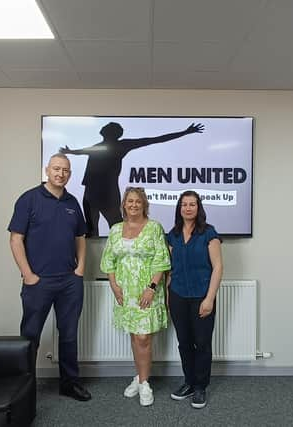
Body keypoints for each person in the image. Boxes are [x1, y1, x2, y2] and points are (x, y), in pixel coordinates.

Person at [7, 153, 91, 402]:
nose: (60, 174)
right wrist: (28, 275)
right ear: (47, 170)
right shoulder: (29, 199)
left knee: (69, 335)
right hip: (38, 282)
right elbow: (15, 239)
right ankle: (24, 388)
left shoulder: (72, 202)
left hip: (69, 281)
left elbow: (80, 238)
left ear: (70, 174)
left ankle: (69, 384)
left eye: (65, 170)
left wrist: (80, 269)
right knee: (30, 334)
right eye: (56, 169)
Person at [60, 122, 204, 237]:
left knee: (117, 227)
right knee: (92, 230)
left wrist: (185, 132)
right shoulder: (98, 147)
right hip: (91, 192)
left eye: (107, 129)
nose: (103, 130)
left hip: (107, 193)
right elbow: (80, 151)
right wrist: (69, 152)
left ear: (111, 133)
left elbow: (153, 140)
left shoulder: (121, 145)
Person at [100, 187, 171, 406]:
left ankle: (144, 383)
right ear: (124, 204)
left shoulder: (154, 228)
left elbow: (161, 259)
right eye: (129, 201)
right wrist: (113, 285)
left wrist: (151, 287)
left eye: (138, 201)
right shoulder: (115, 229)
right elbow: (108, 261)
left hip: (147, 291)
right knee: (134, 335)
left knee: (143, 337)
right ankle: (140, 377)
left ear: (144, 205)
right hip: (125, 292)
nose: (133, 205)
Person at [166, 190, 223, 409]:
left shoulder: (209, 233)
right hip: (178, 296)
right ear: (179, 208)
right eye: (184, 204)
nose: (188, 208)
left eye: (192, 204)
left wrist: (210, 298)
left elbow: (218, 267)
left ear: (198, 208)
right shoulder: (173, 235)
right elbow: (169, 270)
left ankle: (200, 387)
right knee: (184, 343)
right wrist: (167, 295)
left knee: (202, 343)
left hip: (202, 296)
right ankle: (189, 382)